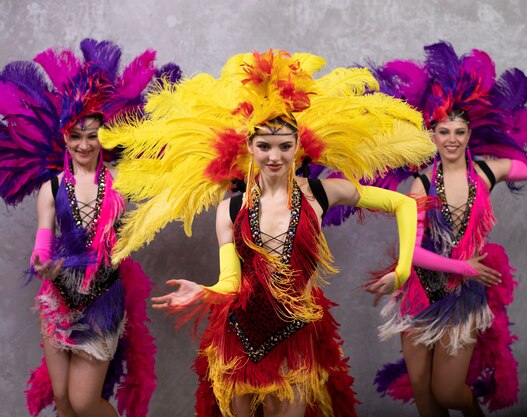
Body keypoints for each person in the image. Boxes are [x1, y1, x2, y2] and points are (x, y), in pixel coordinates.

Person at [98, 49, 436, 417]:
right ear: (249, 148)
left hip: (295, 335)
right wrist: (205, 292)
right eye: (264, 146)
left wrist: (402, 271)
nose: (274, 156)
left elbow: (403, 204)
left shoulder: (322, 194)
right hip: (239, 337)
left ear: (297, 147)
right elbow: (231, 281)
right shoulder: (231, 209)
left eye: (284, 146)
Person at [360, 42, 527, 417]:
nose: (451, 139)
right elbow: (413, 252)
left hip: (461, 295)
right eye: (443, 131)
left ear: (469, 135)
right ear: (432, 135)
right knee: (422, 389)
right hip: (418, 291)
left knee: (449, 392)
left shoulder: (487, 173)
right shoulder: (420, 185)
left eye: (459, 131)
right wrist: (465, 266)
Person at [0, 38, 180, 417]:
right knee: (64, 400)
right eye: (76, 135)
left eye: (92, 135)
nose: (84, 144)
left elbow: (166, 174)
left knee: (85, 401)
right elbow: (43, 241)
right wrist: (41, 264)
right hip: (58, 299)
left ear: (104, 136)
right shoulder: (51, 188)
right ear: (64, 137)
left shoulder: (119, 179)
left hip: (102, 298)